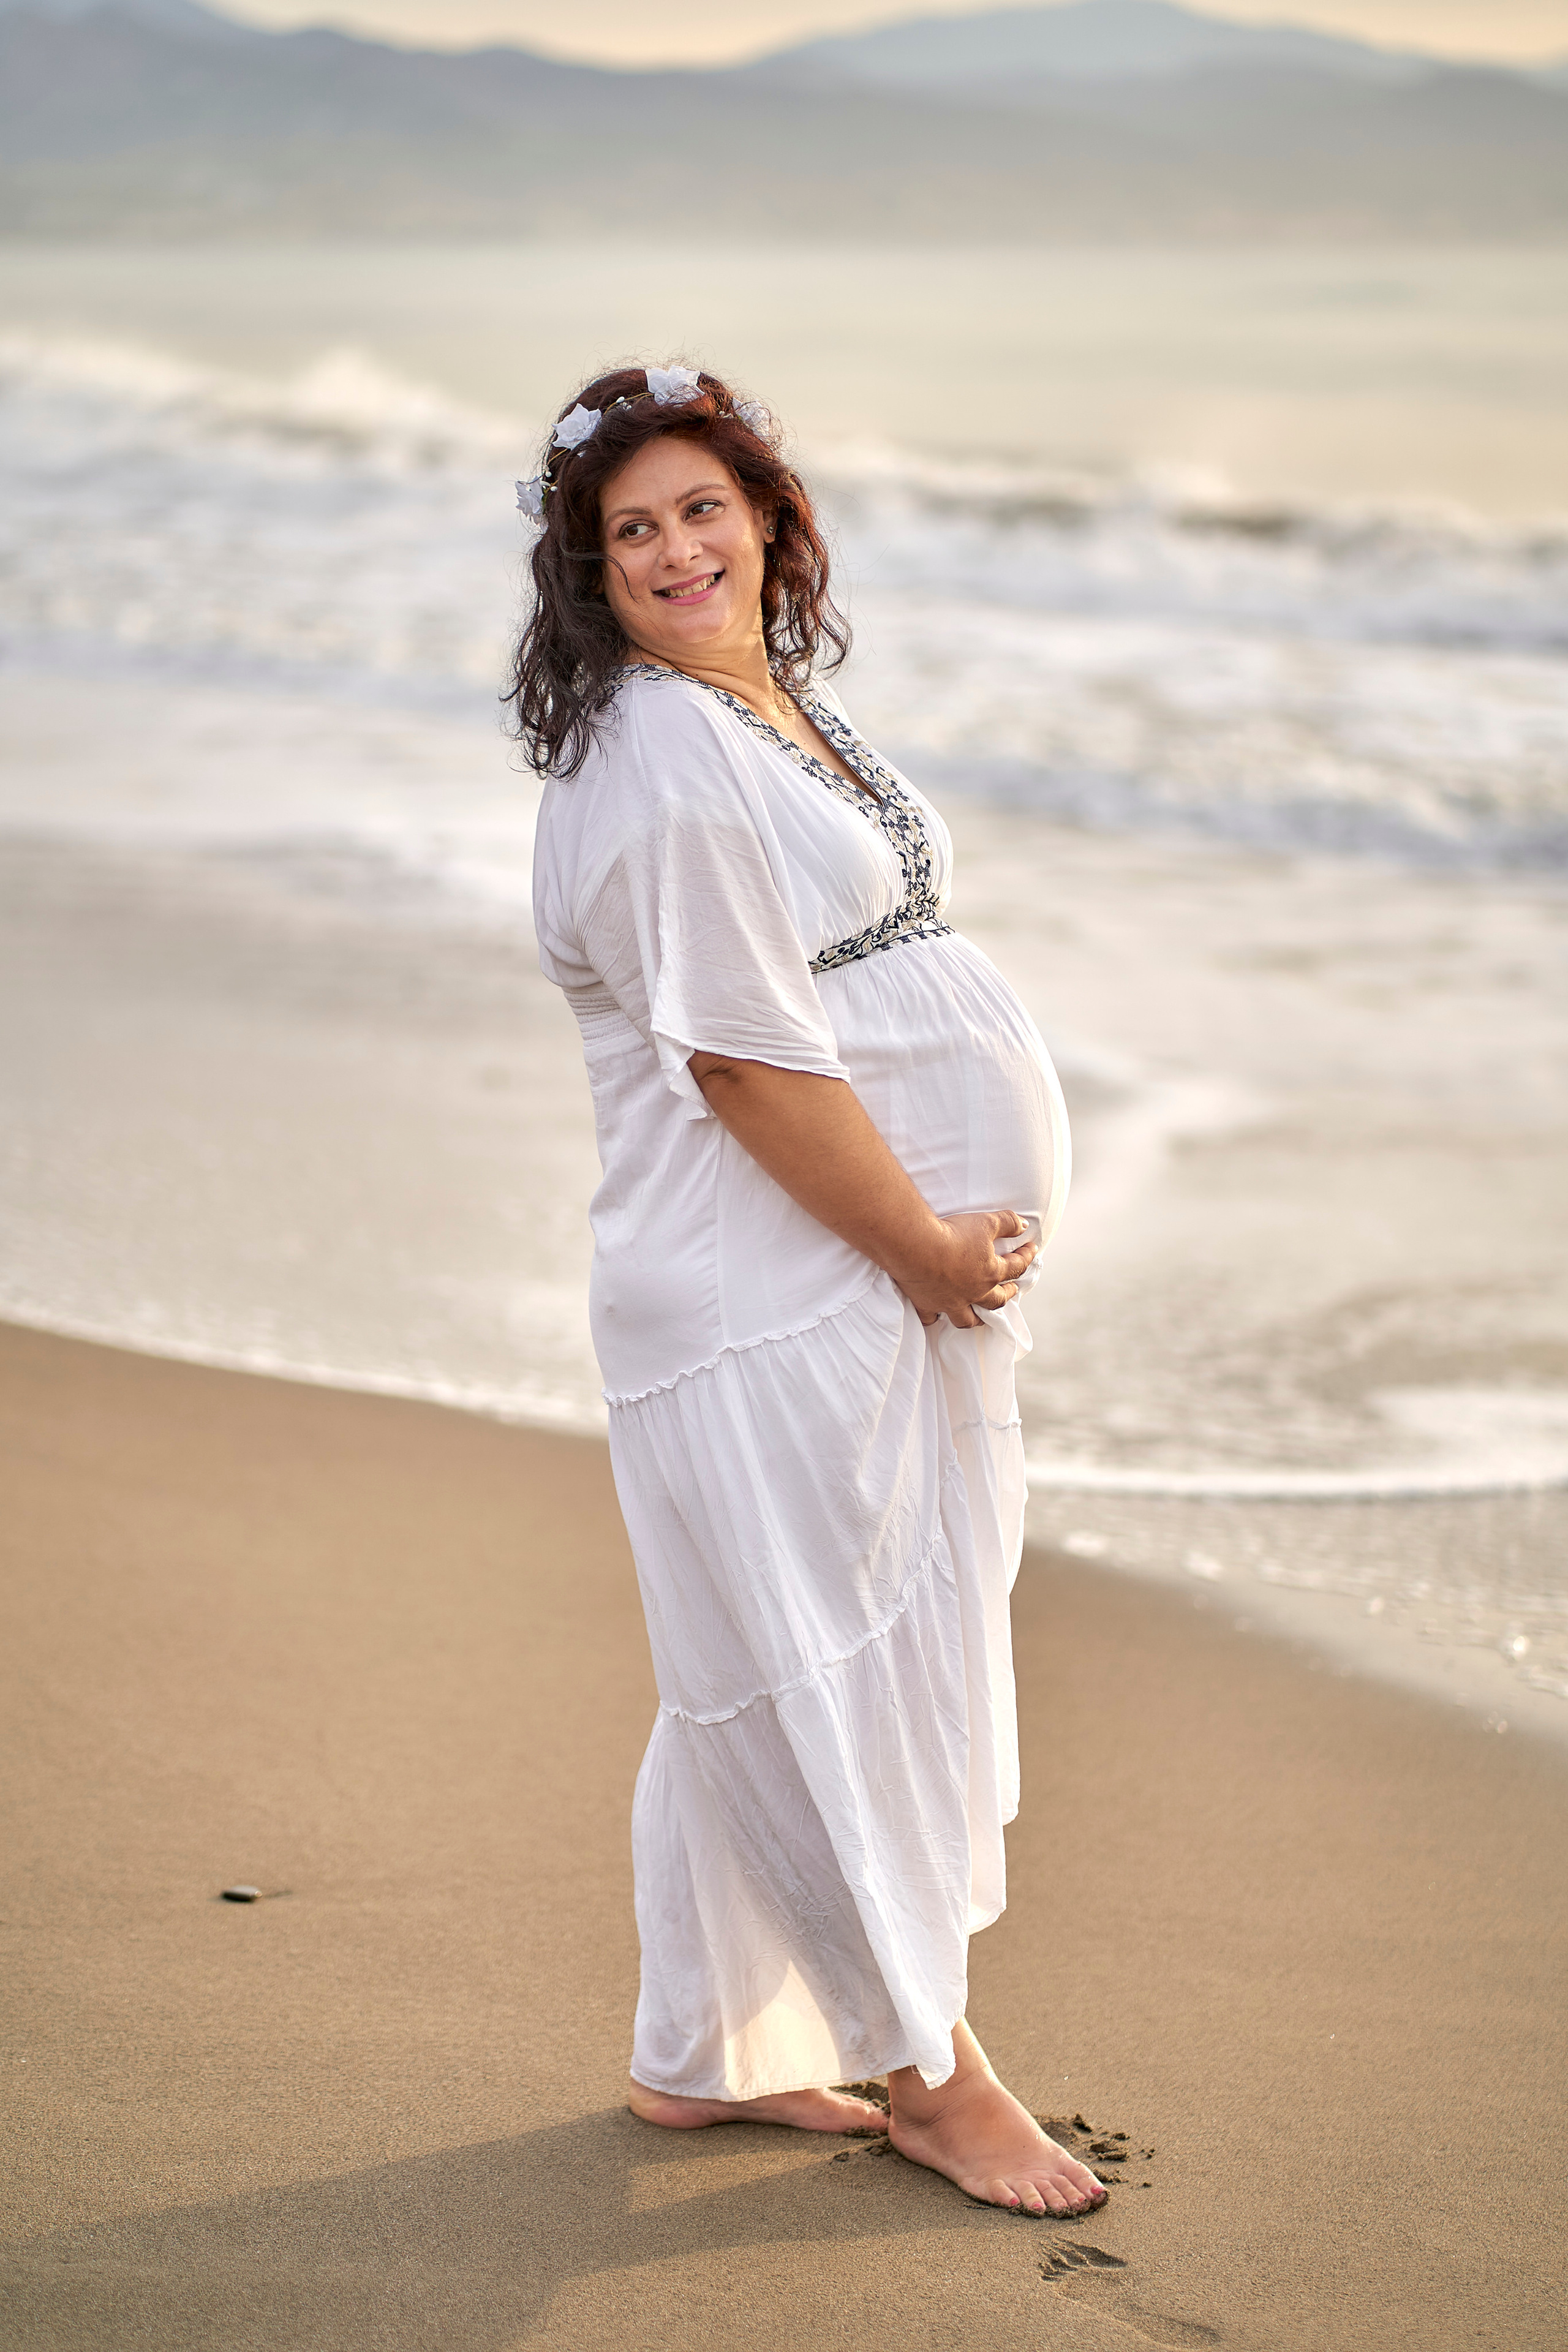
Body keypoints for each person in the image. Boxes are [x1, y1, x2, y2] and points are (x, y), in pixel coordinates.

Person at [511, 363, 1104, 2218]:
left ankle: (702, 2053)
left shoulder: (764, 710)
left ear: (769, 517)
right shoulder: (667, 755)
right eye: (634, 530)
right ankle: (931, 2075)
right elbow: (750, 1067)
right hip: (763, 1283)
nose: (679, 547)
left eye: (705, 507)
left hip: (809, 1276)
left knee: (767, 1664)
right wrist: (925, 1246)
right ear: (586, 574)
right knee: (816, 1670)